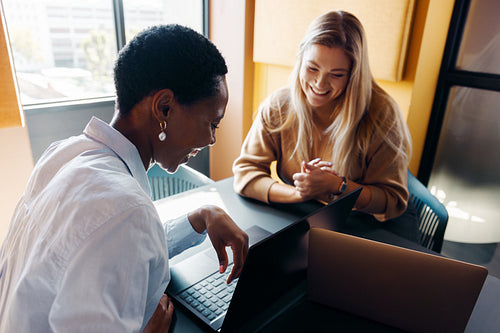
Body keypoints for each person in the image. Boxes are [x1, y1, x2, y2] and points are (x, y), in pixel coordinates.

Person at [0, 24, 248, 332]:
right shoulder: (126, 210)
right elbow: (120, 229)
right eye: (213, 123)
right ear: (164, 107)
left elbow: (109, 249)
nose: (211, 139)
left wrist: (197, 218)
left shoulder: (62, 154)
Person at [233, 11, 414, 225]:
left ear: (354, 75)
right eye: (312, 68)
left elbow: (392, 201)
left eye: (337, 74)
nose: (319, 83)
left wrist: (338, 186)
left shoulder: (382, 114)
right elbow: (245, 174)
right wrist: (299, 194)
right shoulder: (278, 106)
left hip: (361, 225)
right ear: (300, 60)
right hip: (302, 214)